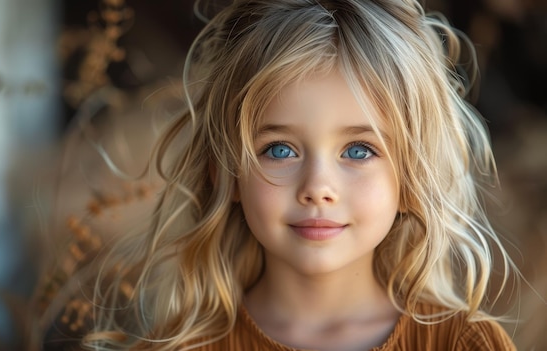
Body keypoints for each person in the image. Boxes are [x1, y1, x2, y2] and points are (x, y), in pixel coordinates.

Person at [69, 0, 518, 350]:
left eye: (358, 150)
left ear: (411, 177)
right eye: (279, 150)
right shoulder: (185, 346)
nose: (318, 188)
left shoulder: (465, 344)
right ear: (225, 172)